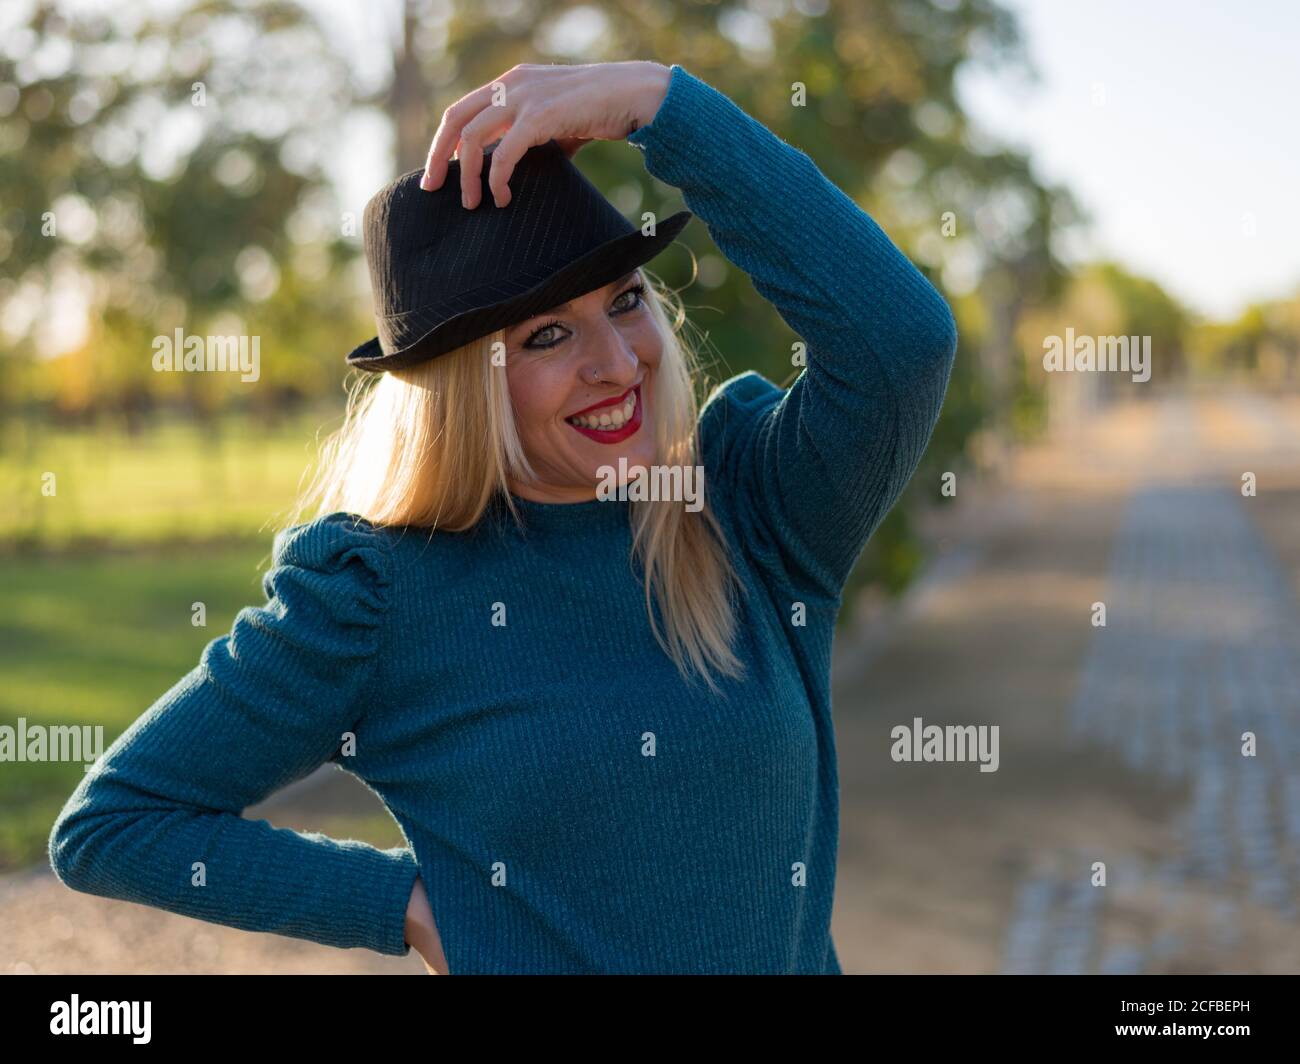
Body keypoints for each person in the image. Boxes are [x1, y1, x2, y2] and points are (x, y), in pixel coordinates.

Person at [48, 60, 957, 975]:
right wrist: (405, 906)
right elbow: (115, 822)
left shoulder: (749, 508)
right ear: (463, 393)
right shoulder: (378, 598)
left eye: (626, 301)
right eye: (546, 336)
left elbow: (904, 346)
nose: (616, 361)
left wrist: (659, 105)